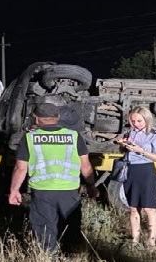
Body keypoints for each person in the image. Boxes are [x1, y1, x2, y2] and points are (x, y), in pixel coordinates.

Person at [8, 103, 99, 254]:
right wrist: (91, 185)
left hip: (42, 191)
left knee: (44, 228)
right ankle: (70, 260)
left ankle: (48, 260)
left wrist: (14, 190)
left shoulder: (30, 138)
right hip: (69, 191)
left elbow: (20, 168)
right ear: (57, 118)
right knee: (71, 228)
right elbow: (86, 166)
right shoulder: (74, 136)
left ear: (36, 119)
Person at [116, 106, 156, 250]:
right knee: (133, 208)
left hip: (145, 170)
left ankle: (151, 241)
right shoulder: (130, 133)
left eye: (139, 120)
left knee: (149, 208)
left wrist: (141, 151)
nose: (136, 124)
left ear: (147, 119)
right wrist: (123, 144)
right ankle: (135, 239)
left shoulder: (155, 135)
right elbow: (125, 151)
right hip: (130, 169)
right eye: (133, 121)